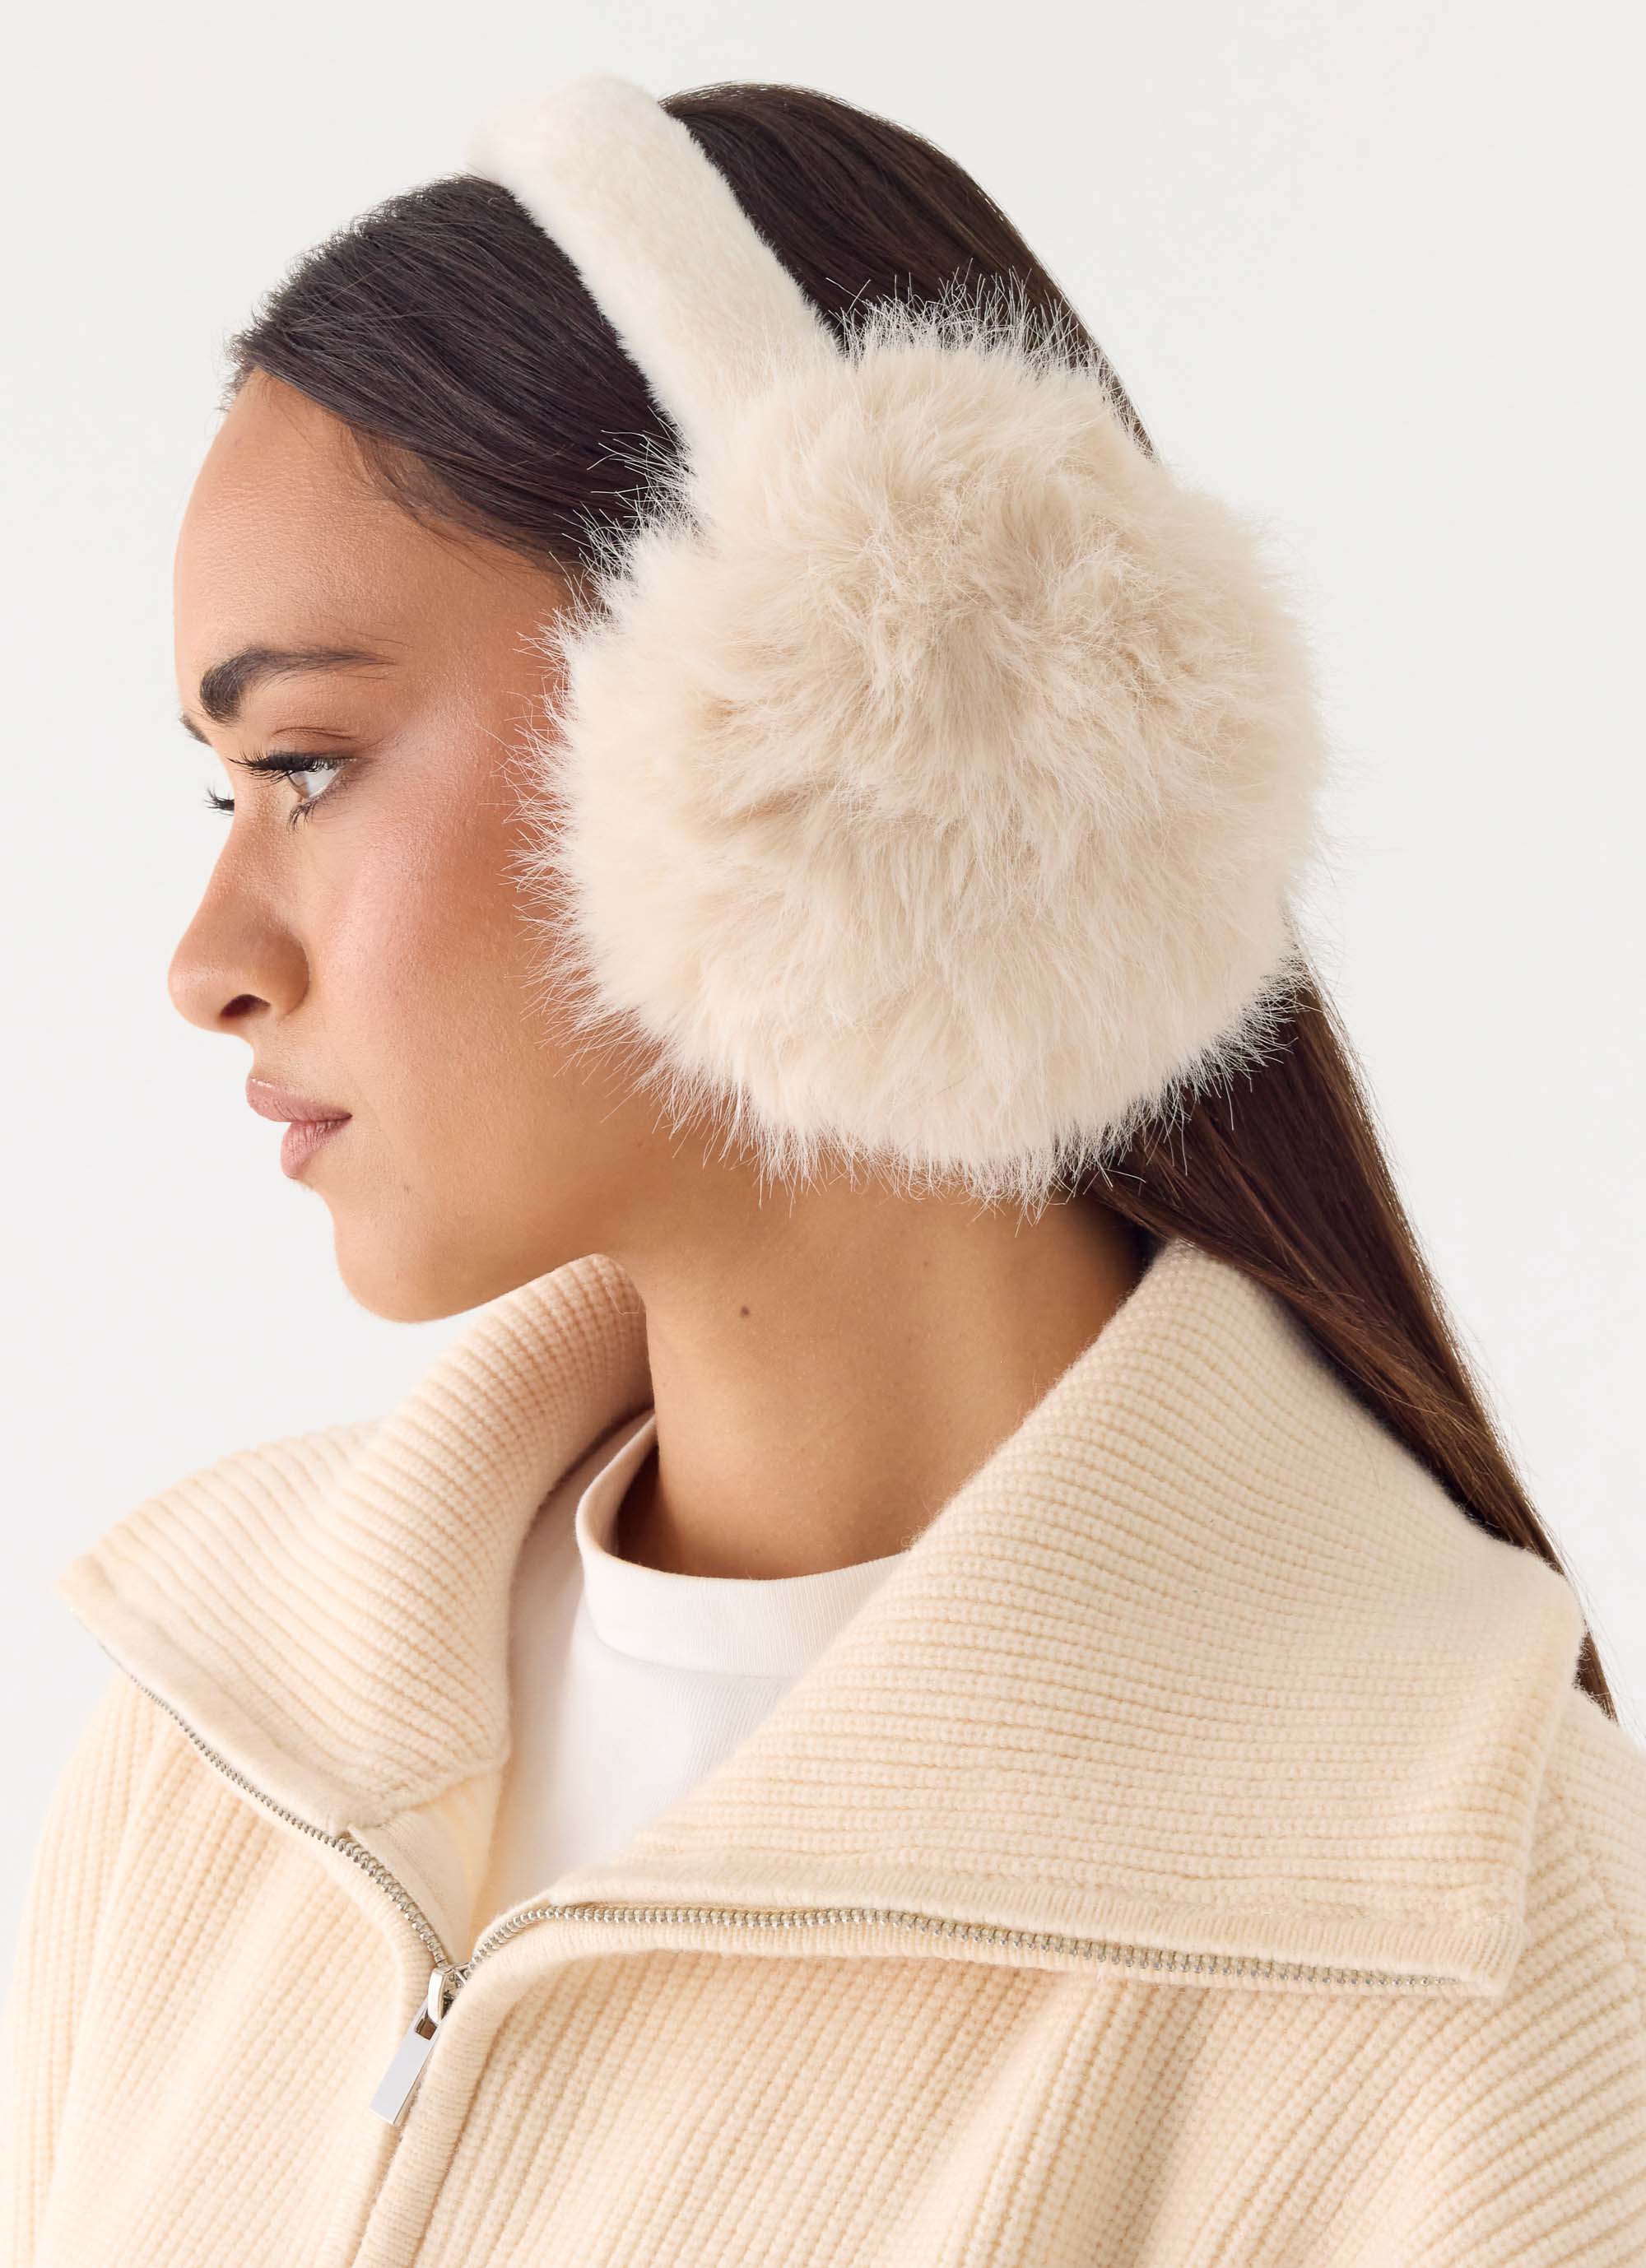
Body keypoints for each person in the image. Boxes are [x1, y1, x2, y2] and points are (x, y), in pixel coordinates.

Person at [3, 72, 1642, 2268]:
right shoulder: (215, 1748)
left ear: (835, 718)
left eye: (305, 761)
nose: (209, 960)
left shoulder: (1467, 1956)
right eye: (224, 789)